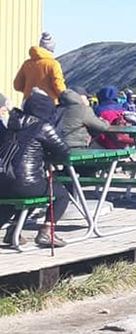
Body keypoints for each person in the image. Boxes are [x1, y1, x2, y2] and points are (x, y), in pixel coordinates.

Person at [0, 90, 72, 248]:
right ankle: (47, 231)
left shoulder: (10, 125)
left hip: (2, 181)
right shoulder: (42, 126)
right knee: (60, 194)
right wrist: (48, 155)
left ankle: (13, 231)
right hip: (26, 182)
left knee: (15, 198)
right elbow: (65, 153)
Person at [12, 33, 66, 104]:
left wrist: (29, 90)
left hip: (29, 102)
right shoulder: (53, 64)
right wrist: (66, 97)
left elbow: (17, 85)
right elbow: (58, 85)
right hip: (49, 104)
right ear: (51, 49)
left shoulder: (27, 64)